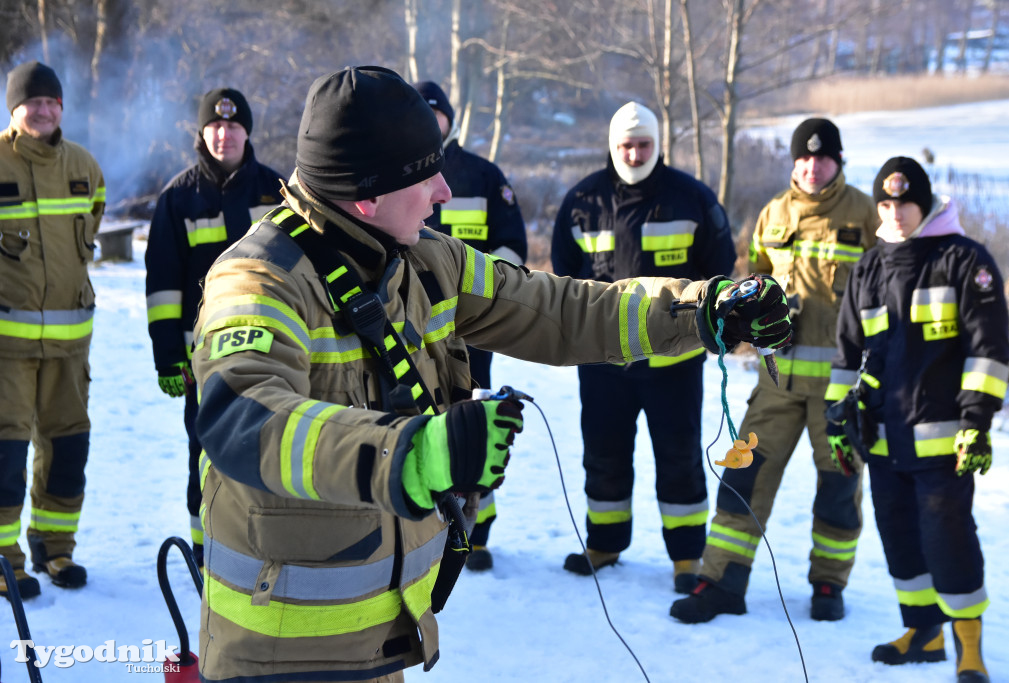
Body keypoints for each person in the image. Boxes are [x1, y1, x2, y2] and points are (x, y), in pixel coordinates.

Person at [189, 65, 791, 683]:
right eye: (427, 173)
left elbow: (559, 309)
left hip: (378, 643)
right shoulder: (259, 279)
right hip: (279, 655)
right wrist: (413, 456)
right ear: (367, 194)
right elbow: (242, 417)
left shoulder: (424, 260)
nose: (445, 190)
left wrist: (701, 310)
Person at [671, 118, 877, 624]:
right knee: (743, 479)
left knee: (839, 490)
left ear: (839, 160)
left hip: (838, 387)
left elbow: (885, 292)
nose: (812, 166)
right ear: (793, 161)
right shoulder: (772, 214)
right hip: (776, 383)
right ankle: (721, 582)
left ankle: (829, 584)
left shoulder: (865, 213)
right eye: (804, 158)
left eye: (823, 157)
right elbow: (756, 283)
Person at [828, 157, 1007, 683]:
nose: (895, 213)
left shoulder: (963, 260)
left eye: (904, 202)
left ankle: (967, 646)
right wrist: (838, 421)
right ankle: (922, 632)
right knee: (900, 538)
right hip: (882, 441)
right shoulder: (868, 268)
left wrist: (976, 421)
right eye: (885, 204)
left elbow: (988, 350)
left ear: (924, 202)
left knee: (948, 539)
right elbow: (846, 354)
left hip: (946, 442)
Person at [550, 101, 736, 592]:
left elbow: (720, 269)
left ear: (658, 144)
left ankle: (686, 556)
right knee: (604, 453)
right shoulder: (582, 201)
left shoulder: (692, 198)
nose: (634, 153)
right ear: (613, 145)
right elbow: (564, 280)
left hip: (675, 363)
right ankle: (605, 542)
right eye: (626, 144)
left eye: (644, 143)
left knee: (678, 456)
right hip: (603, 360)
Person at [144, 87, 284, 567]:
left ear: (248, 132)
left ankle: (263, 547)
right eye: (216, 126)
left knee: (271, 445)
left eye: (234, 126)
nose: (224, 134)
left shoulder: (277, 192)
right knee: (205, 453)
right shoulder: (177, 199)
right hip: (202, 359)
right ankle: (206, 551)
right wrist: (167, 356)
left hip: (275, 351)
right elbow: (162, 286)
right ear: (203, 134)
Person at [413, 80, 529, 571]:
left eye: (435, 114)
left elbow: (513, 246)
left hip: (473, 324)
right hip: (414, 323)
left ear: (449, 120)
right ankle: (426, 521)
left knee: (475, 414)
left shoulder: (482, 175)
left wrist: (482, 295)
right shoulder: (396, 173)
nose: (429, 122)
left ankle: (475, 529)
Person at [0, 61, 105, 599]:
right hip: (5, 351)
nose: (43, 109)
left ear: (62, 108)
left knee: (68, 451)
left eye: (52, 101)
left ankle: (55, 550)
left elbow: (93, 225)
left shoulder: (84, 165)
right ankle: (3, 561)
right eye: (32, 101)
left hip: (70, 349)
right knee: (5, 455)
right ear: (13, 108)